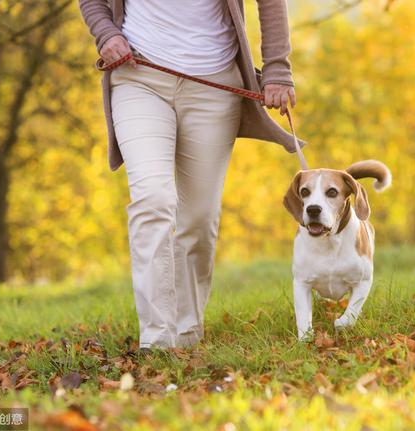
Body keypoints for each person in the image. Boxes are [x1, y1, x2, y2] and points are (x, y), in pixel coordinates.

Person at [79, 0, 298, 349]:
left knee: (198, 220)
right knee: (153, 198)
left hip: (213, 86)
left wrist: (276, 70)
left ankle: (186, 332)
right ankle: (158, 340)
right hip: (139, 76)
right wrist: (105, 34)